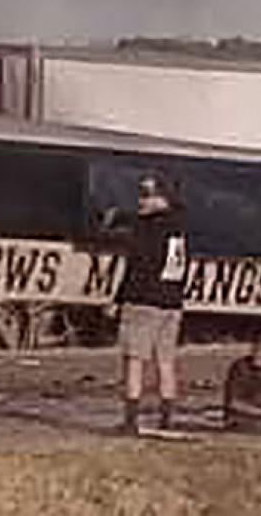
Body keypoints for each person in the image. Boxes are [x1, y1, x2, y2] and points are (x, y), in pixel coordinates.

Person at [113, 175, 189, 435]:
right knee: (165, 361)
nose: (140, 200)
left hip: (143, 300)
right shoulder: (179, 226)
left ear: (162, 198)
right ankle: (167, 418)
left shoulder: (147, 227)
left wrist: (118, 299)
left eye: (147, 194)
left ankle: (131, 420)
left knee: (135, 359)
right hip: (172, 301)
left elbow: (137, 266)